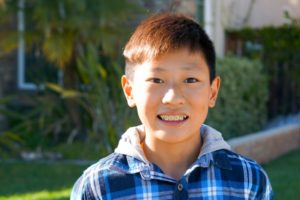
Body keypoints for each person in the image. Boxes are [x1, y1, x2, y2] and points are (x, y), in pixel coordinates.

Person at [71, 13, 273, 200]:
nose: (173, 98)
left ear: (212, 92)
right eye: (157, 80)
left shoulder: (249, 181)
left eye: (191, 79)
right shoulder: (98, 187)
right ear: (129, 91)